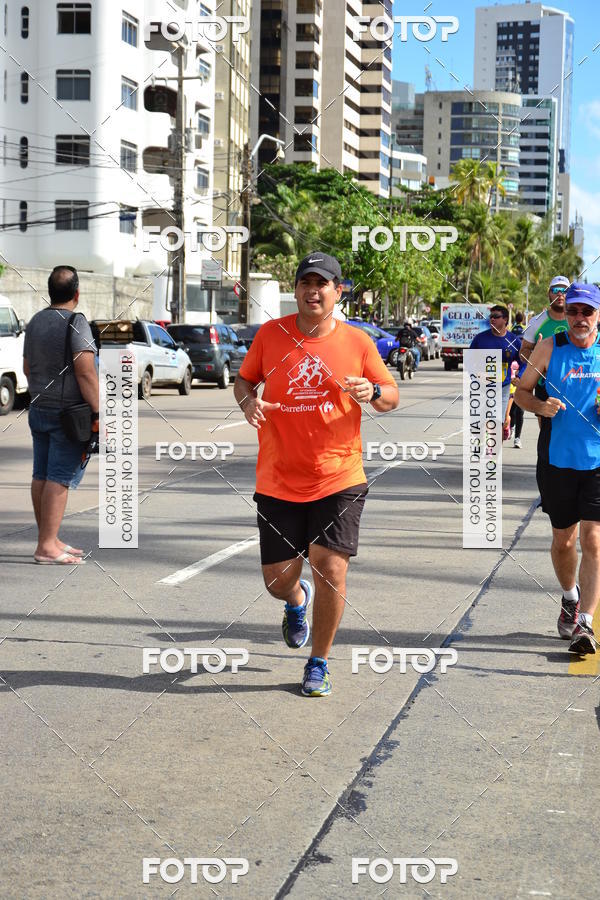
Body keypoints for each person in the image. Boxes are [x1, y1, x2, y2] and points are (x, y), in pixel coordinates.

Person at [234, 252, 399, 696]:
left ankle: (319, 662)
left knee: (331, 569)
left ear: (337, 291)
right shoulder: (271, 335)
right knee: (276, 581)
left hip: (338, 477)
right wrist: (248, 401)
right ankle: (295, 601)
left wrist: (374, 389)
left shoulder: (359, 343)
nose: (313, 290)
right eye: (305, 282)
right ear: (296, 289)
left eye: (322, 283)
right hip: (278, 479)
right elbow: (244, 380)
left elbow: (391, 397)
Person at [515, 282, 600, 655]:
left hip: (597, 461)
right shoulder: (550, 347)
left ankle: (585, 624)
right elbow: (521, 391)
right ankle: (570, 597)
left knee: (593, 540)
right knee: (564, 542)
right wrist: (540, 406)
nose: (579, 318)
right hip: (557, 460)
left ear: (598, 315)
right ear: (566, 314)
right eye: (574, 311)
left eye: (587, 312)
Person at [23, 266, 99, 565]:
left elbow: (28, 368)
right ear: (77, 294)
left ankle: (49, 539)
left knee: (41, 474)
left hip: (38, 408)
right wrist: (98, 413)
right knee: (59, 477)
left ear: (50, 291)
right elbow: (85, 371)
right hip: (68, 414)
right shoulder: (76, 322)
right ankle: (46, 547)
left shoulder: (36, 321)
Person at [469, 304, 522, 419]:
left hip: (503, 388)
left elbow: (525, 362)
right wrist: (477, 374)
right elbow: (469, 361)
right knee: (480, 425)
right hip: (481, 388)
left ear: (505, 319)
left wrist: (520, 377)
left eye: (496, 316)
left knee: (497, 425)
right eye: (491, 316)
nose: (492, 319)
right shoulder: (480, 339)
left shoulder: (513, 341)